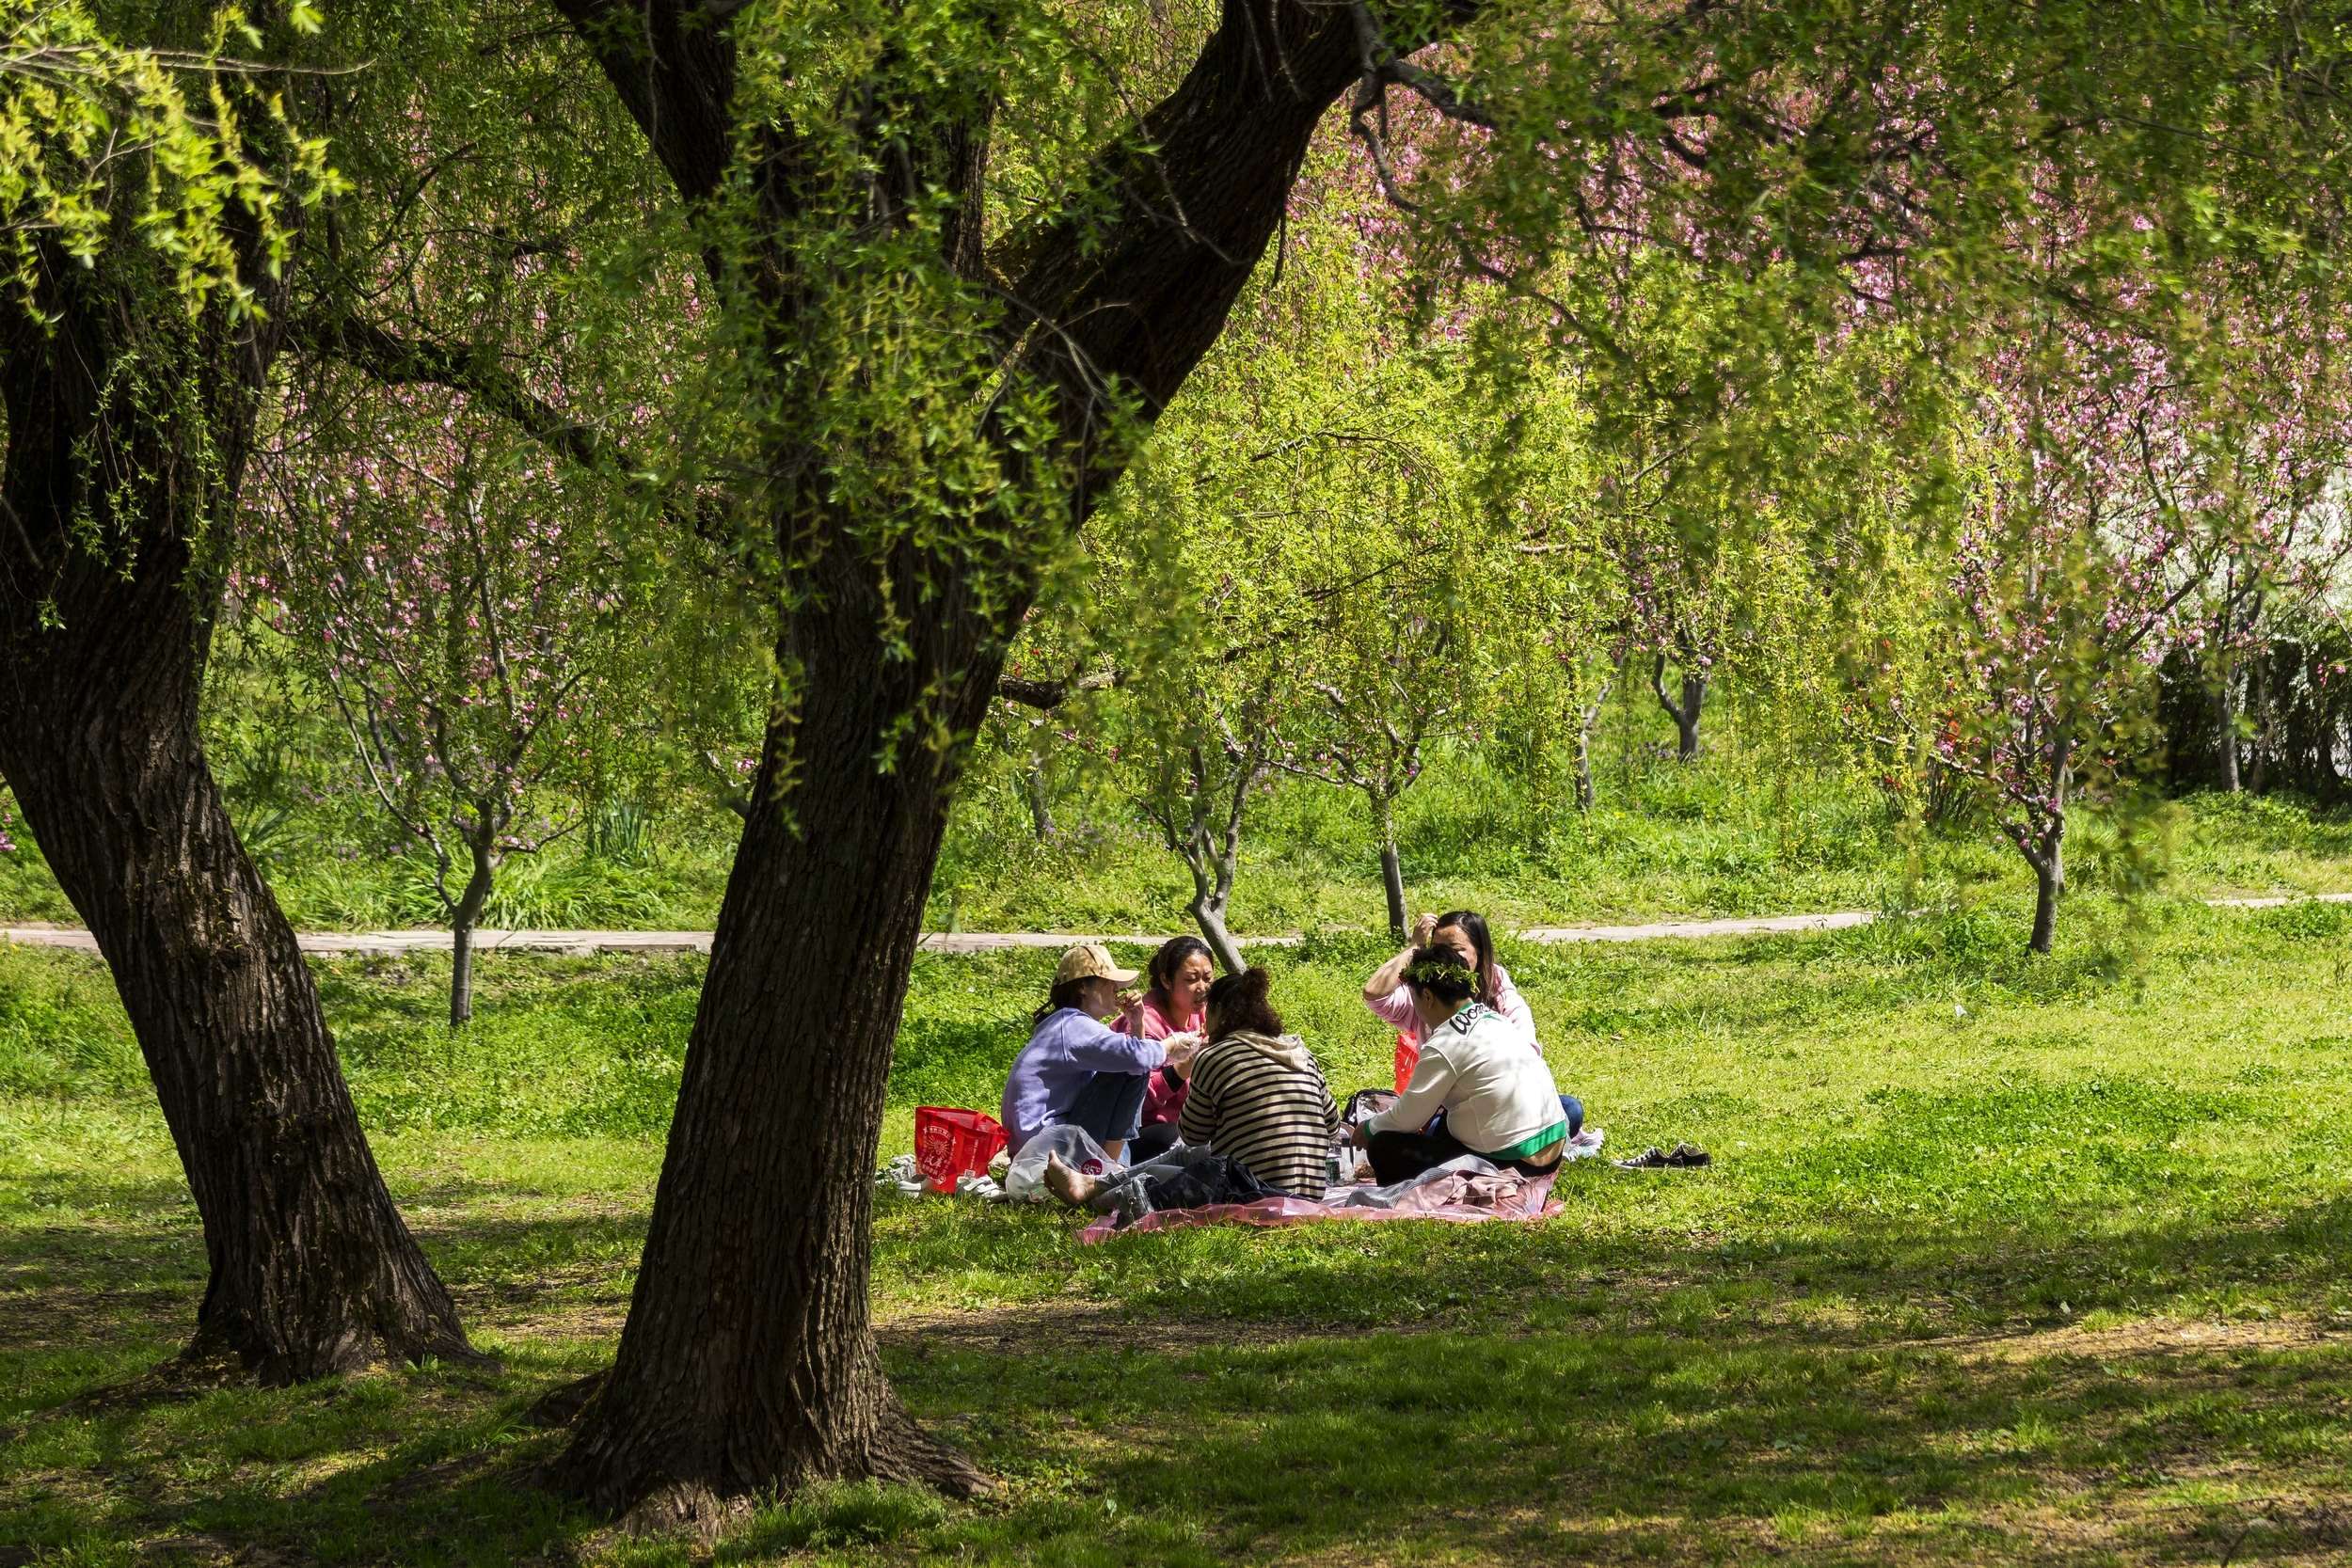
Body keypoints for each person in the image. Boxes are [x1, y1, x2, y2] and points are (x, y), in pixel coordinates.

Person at [1044, 966, 1339, 1221]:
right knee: (1186, 1158)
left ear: (1220, 1013)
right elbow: (1333, 1124)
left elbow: (1193, 1135)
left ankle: (1093, 1187)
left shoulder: (1216, 1056)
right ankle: (1093, 1184)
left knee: (1184, 1157)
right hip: (1311, 1193)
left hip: (1249, 1190)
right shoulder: (1302, 1053)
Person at [1354, 946, 1571, 1186]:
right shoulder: (1496, 1020)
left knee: (1384, 1146)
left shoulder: (1445, 1043)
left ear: (1427, 997)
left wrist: (1369, 1129)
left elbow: (1407, 1119)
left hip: (1516, 1160)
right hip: (1553, 1148)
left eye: (1415, 999)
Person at [1002, 942, 1194, 1162]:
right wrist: (1171, 1044)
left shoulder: (1066, 1024)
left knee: (1131, 1064)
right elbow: (1138, 1059)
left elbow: (1133, 1057)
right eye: (1108, 982)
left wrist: (1137, 1023)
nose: (1116, 988)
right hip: (1046, 1146)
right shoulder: (1073, 1026)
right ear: (1082, 987)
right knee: (1134, 1067)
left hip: (1042, 1142)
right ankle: (1111, 1169)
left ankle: (1113, 1164)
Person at [1362, 910, 1536, 1052]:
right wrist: (1414, 947)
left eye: (1456, 949)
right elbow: (1374, 994)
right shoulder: (1425, 991)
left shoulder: (1501, 994)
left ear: (1480, 951)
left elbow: (1527, 1053)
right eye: (1438, 949)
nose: (1445, 958)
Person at [1117, 935, 1216, 1160]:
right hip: (1138, 1133)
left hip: (1188, 1122)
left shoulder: (1205, 1014)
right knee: (1187, 1141)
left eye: (1208, 978)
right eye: (1191, 979)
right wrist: (1182, 1068)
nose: (1202, 988)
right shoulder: (1144, 1023)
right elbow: (1134, 1101)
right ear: (1166, 980)